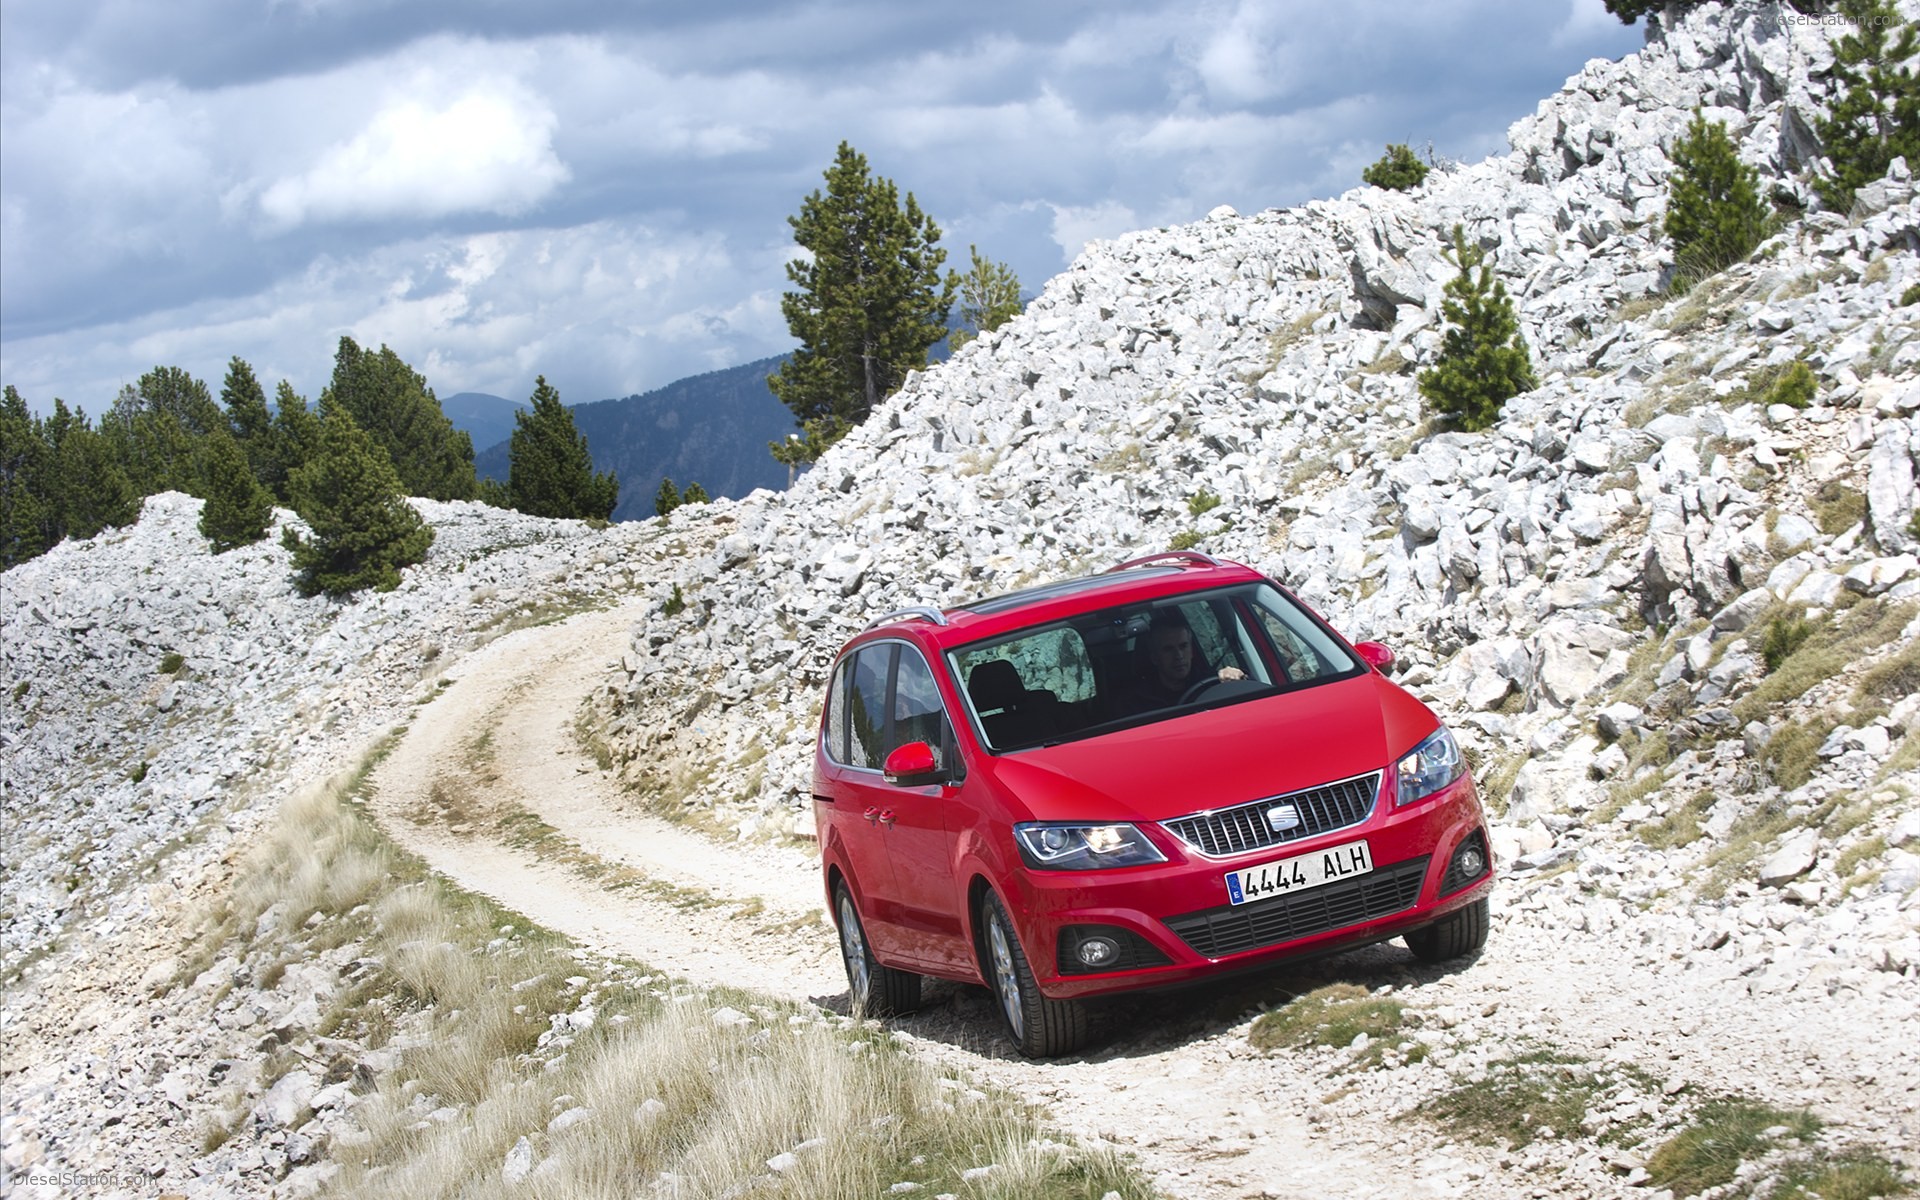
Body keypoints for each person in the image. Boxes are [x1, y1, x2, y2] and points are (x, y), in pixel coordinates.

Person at [1113, 611, 1243, 715]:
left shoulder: (1213, 684)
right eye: (1168, 649)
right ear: (1154, 658)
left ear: (1192, 651)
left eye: (1183, 646)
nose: (1178, 656)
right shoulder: (1135, 702)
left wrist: (1236, 679)